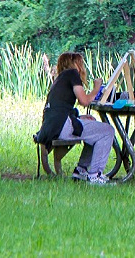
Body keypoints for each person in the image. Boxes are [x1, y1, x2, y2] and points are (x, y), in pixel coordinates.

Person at [34, 52, 116, 185]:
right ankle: (95, 175)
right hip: (61, 126)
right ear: (74, 64)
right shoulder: (72, 74)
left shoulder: (60, 79)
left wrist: (79, 117)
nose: (82, 68)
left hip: (53, 127)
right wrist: (96, 89)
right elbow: (84, 101)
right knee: (107, 131)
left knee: (93, 127)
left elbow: (61, 107)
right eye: (81, 64)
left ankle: (81, 171)